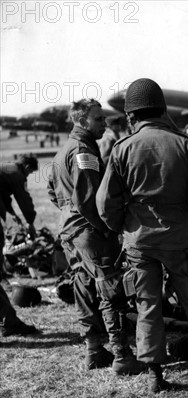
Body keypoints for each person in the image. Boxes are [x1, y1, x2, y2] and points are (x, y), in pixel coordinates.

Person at [97, 78, 188, 392]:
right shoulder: (187, 144)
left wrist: (126, 227)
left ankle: (156, 377)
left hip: (140, 243)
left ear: (132, 114)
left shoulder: (122, 149)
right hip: (180, 238)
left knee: (147, 305)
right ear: (161, 108)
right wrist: (184, 213)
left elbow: (106, 203)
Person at [48, 99, 143, 374]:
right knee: (110, 289)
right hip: (89, 232)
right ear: (83, 121)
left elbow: (53, 194)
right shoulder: (82, 149)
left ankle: (93, 350)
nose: (104, 123)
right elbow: (89, 197)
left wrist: (72, 218)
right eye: (99, 119)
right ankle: (122, 355)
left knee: (83, 286)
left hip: (71, 232)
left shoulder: (62, 150)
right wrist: (107, 228)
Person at [0, 154, 40, 335]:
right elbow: (23, 198)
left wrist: (10, 214)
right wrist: (30, 221)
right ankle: (8, 321)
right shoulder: (16, 173)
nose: (28, 176)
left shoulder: (6, 169)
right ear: (26, 166)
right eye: (30, 172)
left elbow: (4, 198)